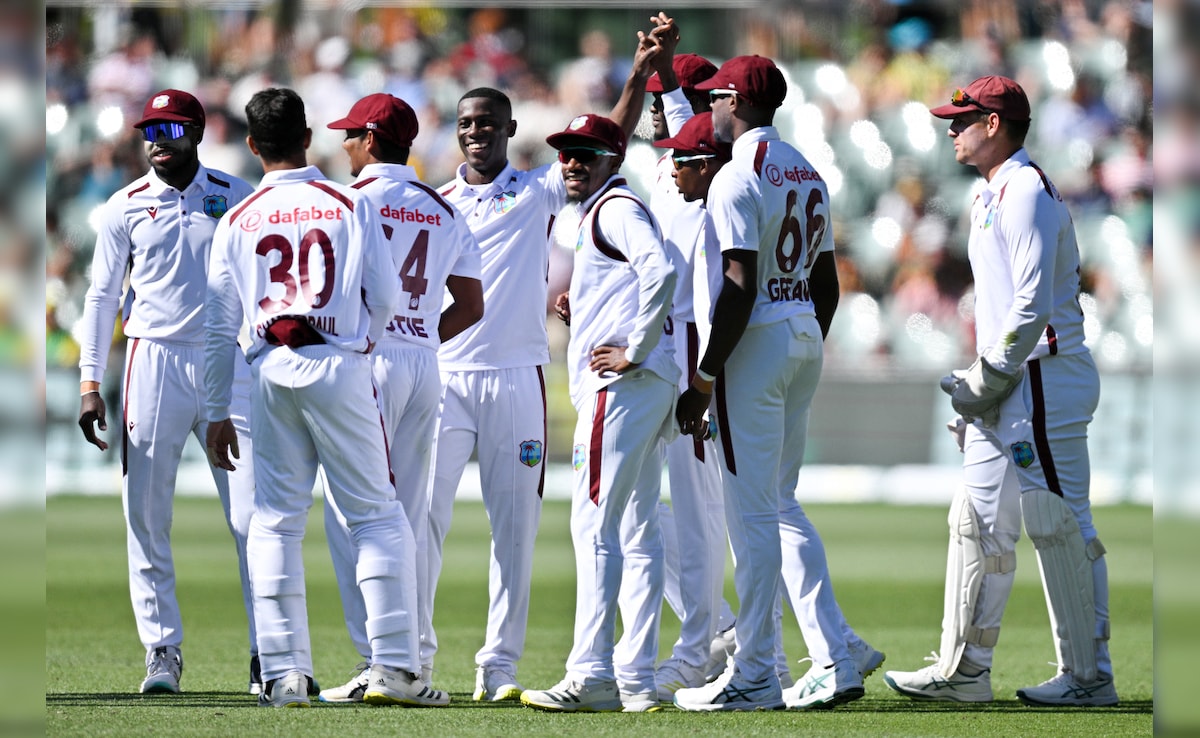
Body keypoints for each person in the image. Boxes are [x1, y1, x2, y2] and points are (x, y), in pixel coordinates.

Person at [203, 87, 446, 709]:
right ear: (307, 137)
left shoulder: (235, 219)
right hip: (337, 359)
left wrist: (214, 410)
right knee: (376, 513)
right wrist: (361, 345)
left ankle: (284, 675)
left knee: (276, 521)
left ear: (254, 145)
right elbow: (385, 295)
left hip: (267, 368)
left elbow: (217, 325)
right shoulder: (345, 200)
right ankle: (395, 666)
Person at [883, 75, 1118, 707]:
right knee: (977, 521)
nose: (950, 130)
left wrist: (983, 384)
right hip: (1011, 382)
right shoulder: (992, 193)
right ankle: (965, 671)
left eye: (960, 120)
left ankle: (1089, 678)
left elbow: (1031, 308)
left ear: (994, 125)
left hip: (1043, 378)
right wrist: (983, 387)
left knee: (1059, 523)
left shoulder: (1025, 192)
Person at [671, 56, 864, 712]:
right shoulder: (807, 168)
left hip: (754, 344)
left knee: (750, 515)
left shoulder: (734, 175)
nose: (710, 107)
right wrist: (803, 337)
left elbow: (737, 287)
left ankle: (755, 672)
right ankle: (836, 651)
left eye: (716, 96)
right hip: (804, 330)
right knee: (779, 503)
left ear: (733, 100)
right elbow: (828, 282)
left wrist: (703, 379)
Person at [76, 88, 259, 695]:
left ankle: (271, 652)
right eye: (150, 130)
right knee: (146, 515)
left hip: (226, 364)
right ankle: (162, 651)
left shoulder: (236, 197)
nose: (157, 140)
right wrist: (88, 381)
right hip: (151, 360)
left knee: (251, 516)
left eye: (172, 130)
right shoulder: (123, 206)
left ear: (198, 134)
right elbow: (101, 298)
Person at [317, 93, 484, 704]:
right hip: (423, 361)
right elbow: (471, 306)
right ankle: (409, 661)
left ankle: (380, 661)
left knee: (353, 515)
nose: (342, 145)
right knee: (407, 517)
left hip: (368, 358)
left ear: (370, 140)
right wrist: (416, 337)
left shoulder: (348, 202)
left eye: (350, 135)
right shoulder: (443, 208)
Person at [519, 113, 677, 713]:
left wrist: (633, 346)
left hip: (623, 385)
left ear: (613, 158)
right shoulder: (595, 215)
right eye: (566, 152)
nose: (572, 162)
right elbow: (644, 276)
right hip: (644, 384)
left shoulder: (615, 208)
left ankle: (591, 673)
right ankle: (635, 676)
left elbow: (660, 271)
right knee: (638, 530)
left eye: (586, 152)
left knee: (594, 526)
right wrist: (581, 306)